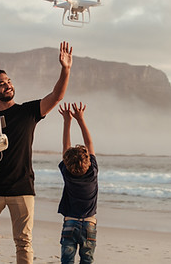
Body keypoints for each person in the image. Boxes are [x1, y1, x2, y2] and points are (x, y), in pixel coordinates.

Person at [0, 41, 73, 264]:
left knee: (23, 243)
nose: (7, 85)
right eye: (1, 84)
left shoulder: (28, 112)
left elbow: (57, 95)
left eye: (9, 81)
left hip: (22, 188)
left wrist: (65, 69)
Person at [57, 102, 98, 264]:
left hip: (70, 223)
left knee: (67, 260)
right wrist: (81, 119)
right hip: (89, 224)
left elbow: (65, 146)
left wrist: (67, 122)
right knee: (87, 260)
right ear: (88, 161)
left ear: (66, 162)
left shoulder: (67, 173)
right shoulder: (92, 171)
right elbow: (90, 144)